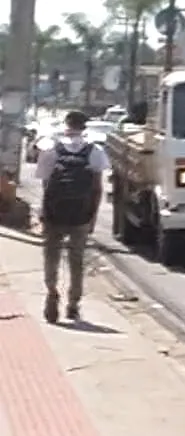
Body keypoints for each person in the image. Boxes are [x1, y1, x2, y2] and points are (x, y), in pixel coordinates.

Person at [36, 109, 109, 323]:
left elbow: (45, 184)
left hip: (54, 214)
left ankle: (51, 293)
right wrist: (92, 217)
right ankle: (73, 304)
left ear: (66, 124)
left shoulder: (51, 148)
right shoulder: (94, 150)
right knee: (76, 261)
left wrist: (43, 212)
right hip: (81, 216)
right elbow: (97, 187)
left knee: (51, 257)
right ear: (84, 127)